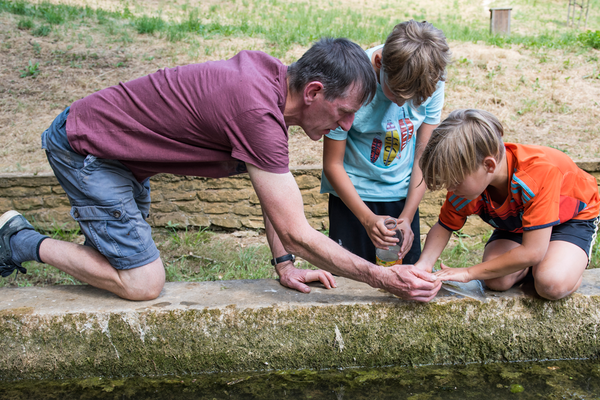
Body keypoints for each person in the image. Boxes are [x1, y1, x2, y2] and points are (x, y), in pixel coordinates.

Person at [0, 38, 442, 302]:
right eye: (344, 112)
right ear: (313, 91)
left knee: (119, 259)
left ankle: (78, 245)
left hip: (118, 158)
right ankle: (16, 240)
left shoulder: (271, 90)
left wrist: (284, 265)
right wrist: (381, 276)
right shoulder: (255, 109)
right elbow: (295, 228)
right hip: (88, 150)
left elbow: (275, 199)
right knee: (142, 282)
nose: (345, 127)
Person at [415, 109, 600, 300]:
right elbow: (444, 226)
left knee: (551, 283)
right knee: (497, 281)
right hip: (519, 226)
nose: (450, 189)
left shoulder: (537, 175)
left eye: (455, 181)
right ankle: (538, 261)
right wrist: (423, 265)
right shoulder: (465, 187)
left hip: (570, 220)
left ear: (489, 166)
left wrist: (468, 273)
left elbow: (533, 251)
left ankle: (557, 263)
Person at [320, 20, 451, 265]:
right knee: (351, 284)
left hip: (403, 196)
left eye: (414, 99)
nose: (402, 105)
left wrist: (407, 216)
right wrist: (367, 219)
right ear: (379, 63)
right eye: (396, 94)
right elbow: (332, 164)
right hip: (352, 198)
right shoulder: (348, 81)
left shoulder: (431, 79)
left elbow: (423, 156)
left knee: (402, 286)